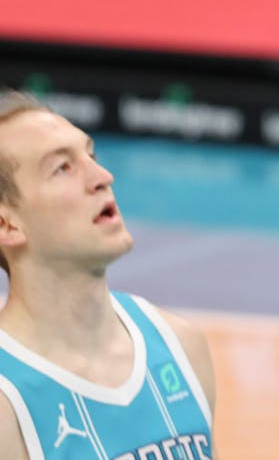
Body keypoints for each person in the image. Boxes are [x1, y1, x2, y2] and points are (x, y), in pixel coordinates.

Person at [0, 91, 218, 460]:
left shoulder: (181, 347)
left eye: (91, 155)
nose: (103, 176)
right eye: (62, 168)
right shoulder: (7, 402)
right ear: (7, 224)